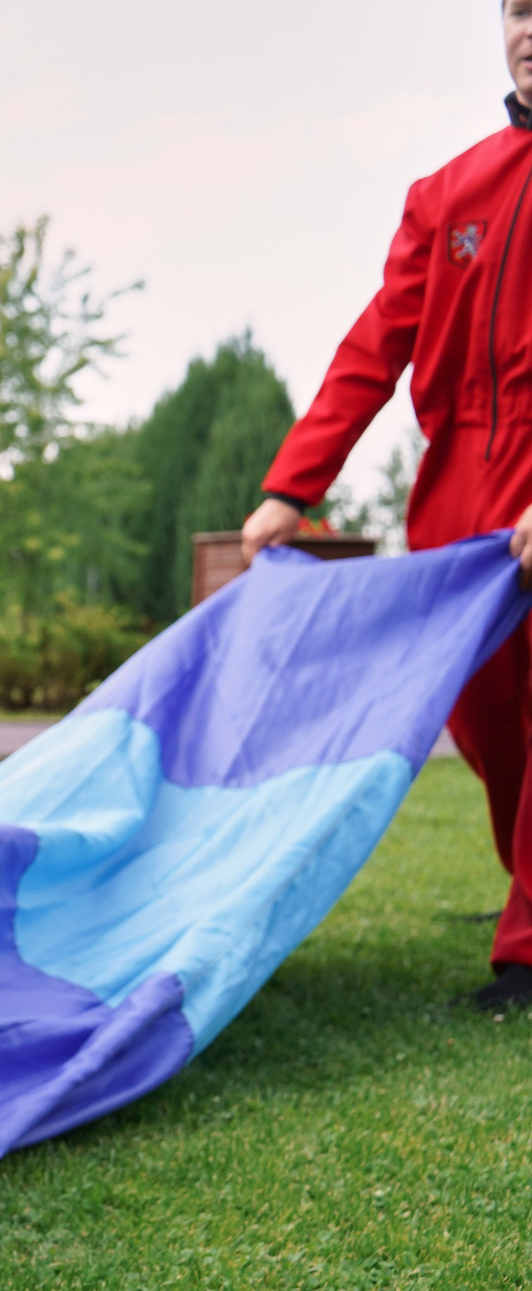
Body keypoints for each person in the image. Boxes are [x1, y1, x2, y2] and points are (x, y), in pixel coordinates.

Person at [241, 1, 532, 1013]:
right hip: (452, 491)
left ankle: (529, 948)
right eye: (519, 8)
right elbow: (376, 344)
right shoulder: (446, 192)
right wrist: (292, 487)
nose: (529, 29)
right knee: (490, 723)